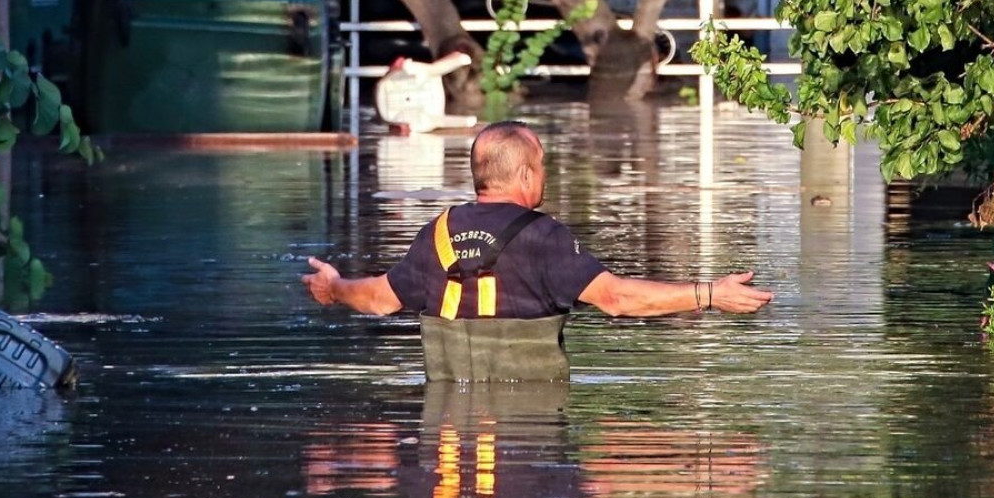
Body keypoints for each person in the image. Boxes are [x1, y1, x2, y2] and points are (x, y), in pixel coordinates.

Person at [303, 120, 773, 381]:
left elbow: (380, 299)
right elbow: (616, 299)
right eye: (542, 166)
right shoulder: (544, 235)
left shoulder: (436, 232)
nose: (545, 176)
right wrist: (709, 294)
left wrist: (334, 286)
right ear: (526, 176)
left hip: (446, 413)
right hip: (534, 414)